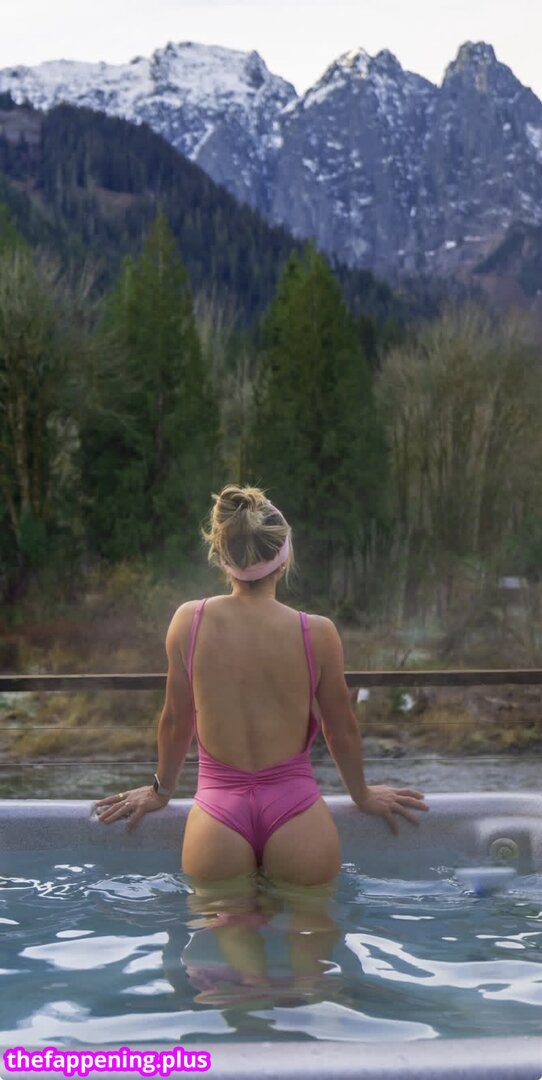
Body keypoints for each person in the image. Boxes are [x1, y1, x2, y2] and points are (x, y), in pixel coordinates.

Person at [96, 485, 428, 886]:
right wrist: (363, 795)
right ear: (283, 560)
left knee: (222, 924)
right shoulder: (318, 633)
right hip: (297, 814)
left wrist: (160, 791)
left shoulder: (188, 621)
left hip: (217, 819)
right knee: (311, 925)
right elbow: (341, 728)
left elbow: (175, 722)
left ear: (222, 559)